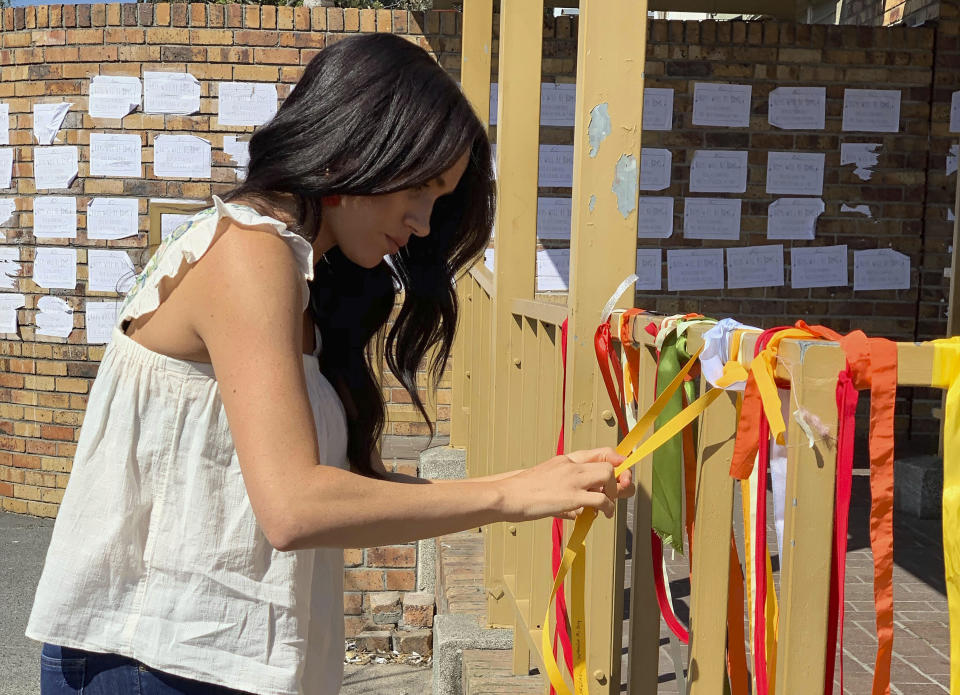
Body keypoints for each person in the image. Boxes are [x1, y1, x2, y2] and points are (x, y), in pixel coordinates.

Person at [25, 33, 634, 695]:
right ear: (355, 151)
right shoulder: (251, 253)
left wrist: (527, 482)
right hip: (154, 663)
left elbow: (331, 494)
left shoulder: (300, 273)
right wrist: (511, 496)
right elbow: (293, 505)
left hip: (200, 658)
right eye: (422, 189)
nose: (425, 224)